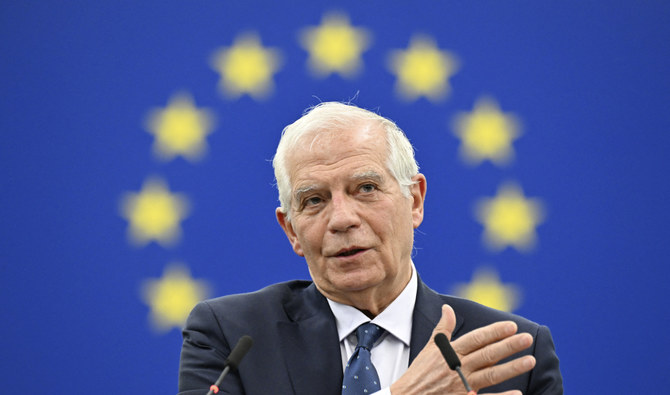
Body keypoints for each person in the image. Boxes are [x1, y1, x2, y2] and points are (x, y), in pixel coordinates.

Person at [178, 102, 563, 395]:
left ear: (415, 201)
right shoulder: (230, 338)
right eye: (314, 200)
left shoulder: (510, 356)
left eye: (366, 189)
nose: (342, 219)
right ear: (291, 229)